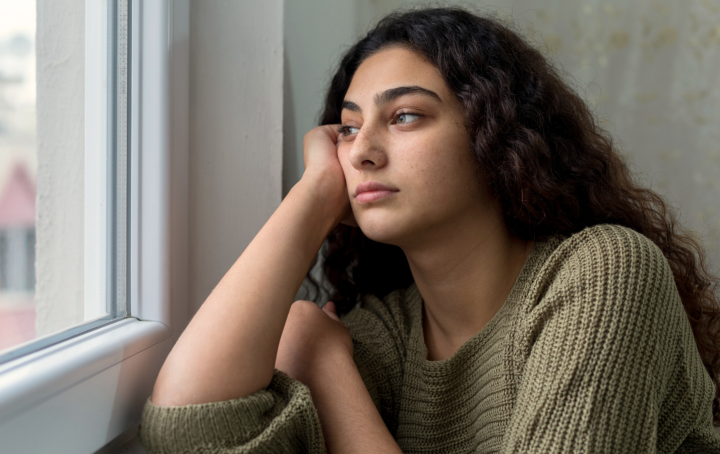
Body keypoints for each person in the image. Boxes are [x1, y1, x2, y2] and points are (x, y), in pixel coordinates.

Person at [138, 7, 720, 453]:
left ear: (497, 136)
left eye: (405, 116)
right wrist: (313, 196)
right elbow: (189, 428)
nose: (361, 151)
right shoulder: (390, 334)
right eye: (346, 129)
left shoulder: (605, 272)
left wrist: (325, 365)